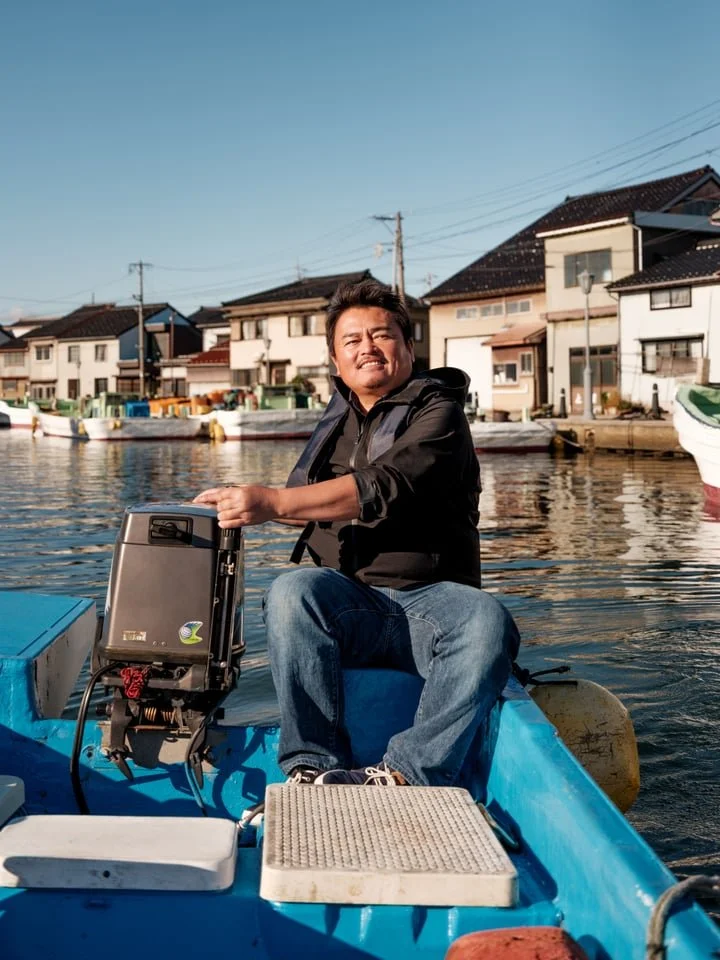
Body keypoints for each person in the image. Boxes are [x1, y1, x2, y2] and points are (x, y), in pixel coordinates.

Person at [193, 279, 520, 787]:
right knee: (290, 591)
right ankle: (311, 766)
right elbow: (301, 507)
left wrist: (273, 500)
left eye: (381, 335)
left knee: (486, 620)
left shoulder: (441, 413)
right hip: (352, 605)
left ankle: (407, 773)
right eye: (352, 341)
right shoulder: (338, 422)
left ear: (409, 347)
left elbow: (388, 484)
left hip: (429, 605)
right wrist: (236, 505)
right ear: (335, 360)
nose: (367, 347)